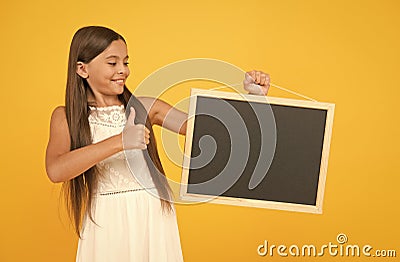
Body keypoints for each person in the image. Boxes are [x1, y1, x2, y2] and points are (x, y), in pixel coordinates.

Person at [45, 25, 270, 262]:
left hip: (152, 214)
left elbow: (211, 131)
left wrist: (251, 98)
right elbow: (56, 170)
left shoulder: (145, 107)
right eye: (112, 63)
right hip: (106, 219)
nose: (123, 70)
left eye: (126, 62)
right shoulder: (65, 117)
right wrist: (120, 141)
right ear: (82, 69)